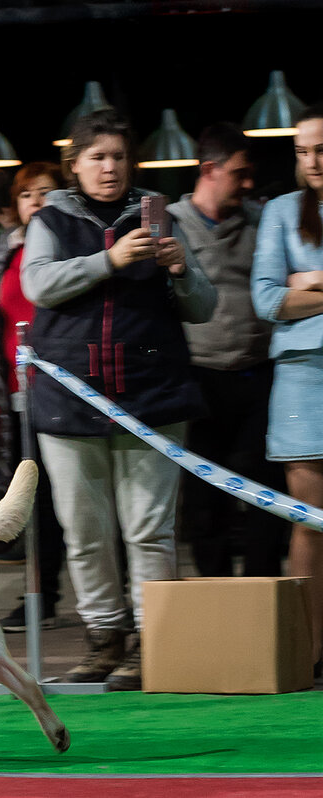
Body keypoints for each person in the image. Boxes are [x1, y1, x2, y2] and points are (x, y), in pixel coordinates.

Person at [21, 108, 217, 690]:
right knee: (83, 529)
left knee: (148, 529)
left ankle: (151, 642)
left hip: (153, 398)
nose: (110, 168)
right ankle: (103, 640)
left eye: (119, 157)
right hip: (69, 398)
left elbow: (203, 308)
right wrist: (110, 260)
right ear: (74, 164)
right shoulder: (51, 218)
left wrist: (182, 271)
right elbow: (37, 284)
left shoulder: (165, 217)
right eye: (97, 157)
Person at [171, 122, 288, 579]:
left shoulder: (262, 222)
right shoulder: (172, 225)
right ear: (209, 170)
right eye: (239, 173)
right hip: (200, 382)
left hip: (259, 377)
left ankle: (263, 602)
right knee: (205, 505)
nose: (248, 182)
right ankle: (218, 602)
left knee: (267, 499)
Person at [0, 161, 67, 630]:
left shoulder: (72, 248)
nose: (38, 203)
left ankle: (111, 604)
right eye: (29, 195)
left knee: (76, 500)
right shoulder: (0, 256)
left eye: (48, 193)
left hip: (71, 394)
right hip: (18, 398)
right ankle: (38, 596)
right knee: (32, 502)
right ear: (15, 205)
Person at [250, 104, 323, 680]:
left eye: (321, 149)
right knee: (309, 520)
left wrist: (311, 283)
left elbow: (289, 294)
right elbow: (268, 301)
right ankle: (310, 653)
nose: (313, 161)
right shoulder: (279, 211)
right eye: (302, 151)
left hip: (299, 362)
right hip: (301, 375)